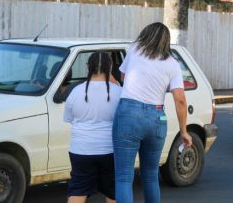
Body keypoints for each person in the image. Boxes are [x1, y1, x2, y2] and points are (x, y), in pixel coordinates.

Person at [112, 22, 193, 203]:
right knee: (150, 175)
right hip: (156, 117)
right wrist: (183, 131)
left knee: (124, 177)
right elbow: (180, 99)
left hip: (129, 114)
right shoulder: (172, 64)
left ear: (146, 35)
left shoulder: (134, 50)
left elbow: (123, 77)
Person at [63, 52, 122, 203]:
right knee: (113, 192)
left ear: (88, 67)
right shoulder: (119, 93)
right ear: (110, 68)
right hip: (110, 150)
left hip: (80, 150)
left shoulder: (75, 92)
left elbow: (69, 119)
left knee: (78, 190)